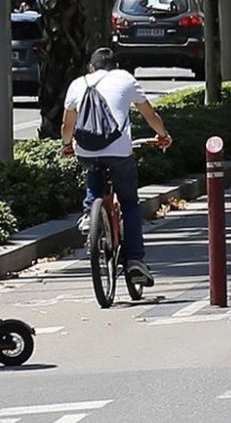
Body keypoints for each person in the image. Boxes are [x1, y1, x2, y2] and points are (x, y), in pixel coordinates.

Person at [62, 47, 172, 286]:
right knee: (129, 203)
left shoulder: (78, 83)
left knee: (93, 168)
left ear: (91, 68)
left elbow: (67, 125)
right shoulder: (124, 78)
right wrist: (163, 135)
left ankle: (90, 215)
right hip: (119, 151)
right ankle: (135, 260)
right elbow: (149, 114)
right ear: (116, 67)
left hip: (86, 151)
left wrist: (67, 145)